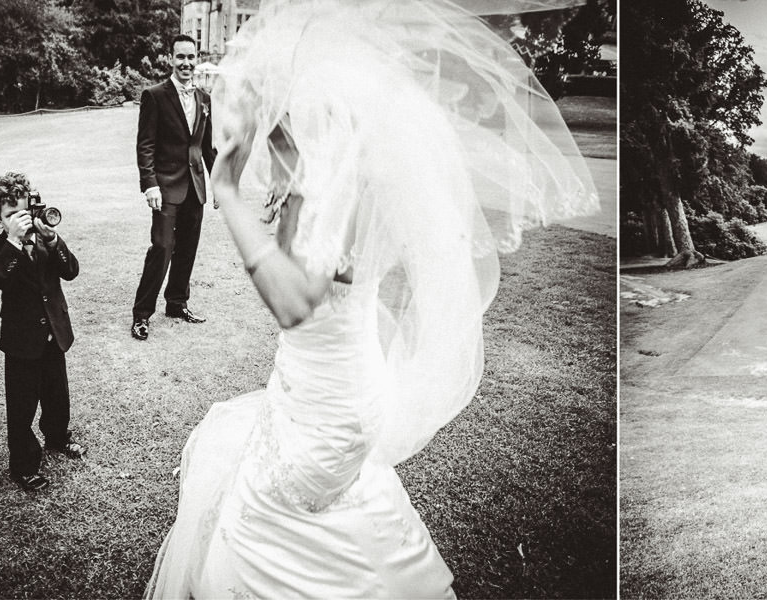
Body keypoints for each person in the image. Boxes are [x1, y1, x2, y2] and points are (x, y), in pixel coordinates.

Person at [145, 0, 598, 597]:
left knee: (274, 522)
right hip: (313, 390)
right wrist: (275, 156)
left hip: (327, 413)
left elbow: (295, 301)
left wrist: (225, 188)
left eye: (284, 103)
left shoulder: (347, 188)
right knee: (334, 525)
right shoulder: (319, 178)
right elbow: (299, 250)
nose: (270, 114)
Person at [0, 172, 86, 492]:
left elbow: (71, 271)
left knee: (57, 395)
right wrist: (14, 241)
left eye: (22, 211)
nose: (19, 219)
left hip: (54, 331)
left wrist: (53, 240)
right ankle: (24, 465)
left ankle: (57, 437)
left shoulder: (45, 239)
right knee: (22, 404)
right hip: (21, 340)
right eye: (10, 215)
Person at [131, 34, 217, 341]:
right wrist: (149, 185)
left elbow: (206, 148)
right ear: (171, 59)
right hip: (165, 187)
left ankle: (177, 303)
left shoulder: (205, 99)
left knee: (188, 249)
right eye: (180, 57)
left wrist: (218, 183)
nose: (186, 63)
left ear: (196, 58)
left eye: (191, 57)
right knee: (162, 247)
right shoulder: (154, 95)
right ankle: (142, 314)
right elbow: (145, 145)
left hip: (195, 187)